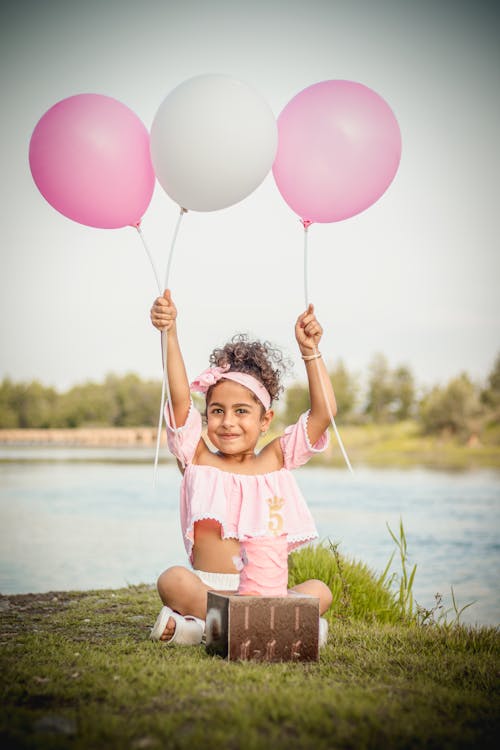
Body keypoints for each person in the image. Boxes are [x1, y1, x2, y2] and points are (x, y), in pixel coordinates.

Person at [149, 289, 337, 646]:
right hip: (209, 590)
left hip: (268, 592)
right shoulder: (198, 459)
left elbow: (323, 413)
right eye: (217, 411)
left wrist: (310, 351)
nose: (228, 422)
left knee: (319, 590)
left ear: (265, 420)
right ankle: (277, 627)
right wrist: (169, 332)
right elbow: (179, 400)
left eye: (241, 411)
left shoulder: (276, 461)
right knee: (172, 580)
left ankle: (204, 630)